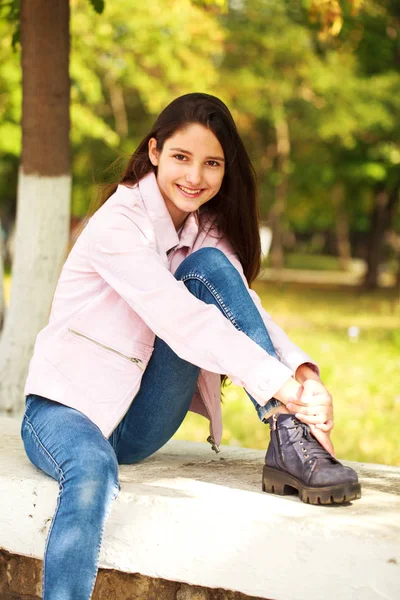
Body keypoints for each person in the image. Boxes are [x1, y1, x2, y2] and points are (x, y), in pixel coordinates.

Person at [21, 92, 361, 600]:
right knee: (92, 470)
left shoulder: (204, 228)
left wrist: (304, 377)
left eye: (212, 164)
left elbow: (241, 305)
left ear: (227, 170)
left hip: (138, 422)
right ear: (154, 152)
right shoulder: (118, 223)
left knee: (213, 272)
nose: (195, 176)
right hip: (64, 412)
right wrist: (279, 385)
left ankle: (288, 431)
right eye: (182, 157)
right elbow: (179, 318)